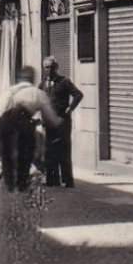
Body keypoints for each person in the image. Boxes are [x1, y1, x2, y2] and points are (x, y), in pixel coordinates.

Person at [0, 65, 63, 192]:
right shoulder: (38, 93)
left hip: (5, 121)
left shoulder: (10, 91)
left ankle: (9, 181)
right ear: (33, 79)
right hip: (23, 121)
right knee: (27, 151)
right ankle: (22, 181)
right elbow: (50, 117)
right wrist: (58, 123)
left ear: (19, 79)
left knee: (5, 152)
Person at [39, 56, 83, 188]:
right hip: (48, 122)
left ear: (57, 68)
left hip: (62, 122)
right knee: (49, 151)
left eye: (52, 67)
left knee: (63, 150)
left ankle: (68, 180)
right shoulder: (42, 85)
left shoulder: (64, 82)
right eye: (46, 67)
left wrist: (70, 108)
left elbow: (78, 94)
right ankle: (53, 180)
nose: (49, 70)